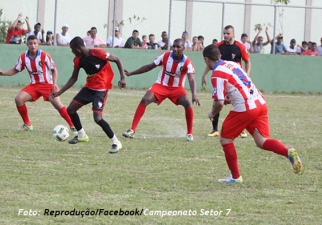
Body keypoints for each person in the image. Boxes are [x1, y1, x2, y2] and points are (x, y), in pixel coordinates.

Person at [202, 44, 302, 183]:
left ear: (206, 60)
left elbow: (218, 103)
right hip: (260, 103)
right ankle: (288, 152)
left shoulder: (217, 74)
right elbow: (240, 84)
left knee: (225, 138)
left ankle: (235, 177)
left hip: (246, 108)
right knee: (262, 141)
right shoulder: (232, 64)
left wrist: (211, 113)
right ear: (219, 55)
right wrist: (229, 99)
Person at [51, 36, 126, 154]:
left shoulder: (98, 53)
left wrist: (123, 78)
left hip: (101, 88)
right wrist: (60, 92)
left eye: (72, 49)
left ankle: (116, 142)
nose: (72, 52)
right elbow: (74, 78)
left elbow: (117, 59)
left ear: (78, 47)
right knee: (70, 109)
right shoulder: (78, 60)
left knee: (97, 118)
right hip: (89, 87)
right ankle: (81, 135)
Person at [122, 38, 200, 142]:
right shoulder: (165, 56)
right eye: (174, 46)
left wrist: (194, 94)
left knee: (187, 103)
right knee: (145, 99)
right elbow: (149, 66)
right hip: (161, 85)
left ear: (183, 48)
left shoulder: (187, 62)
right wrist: (132, 73)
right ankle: (132, 130)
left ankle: (190, 134)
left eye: (178, 47)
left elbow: (191, 79)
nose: (175, 49)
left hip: (177, 88)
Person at [0, 35, 76, 134]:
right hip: (34, 85)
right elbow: (16, 69)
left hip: (48, 84)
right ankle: (28, 124)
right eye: (30, 44)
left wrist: (54, 83)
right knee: (18, 99)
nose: (33, 46)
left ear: (38, 44)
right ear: (27, 45)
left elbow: (54, 70)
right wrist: (3, 73)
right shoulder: (23, 57)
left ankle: (73, 125)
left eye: (35, 43)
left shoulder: (44, 55)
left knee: (57, 104)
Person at [201, 25, 251, 138]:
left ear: (233, 34)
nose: (225, 35)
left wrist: (247, 75)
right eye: (224, 33)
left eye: (228, 33)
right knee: (217, 100)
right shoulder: (219, 46)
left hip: (234, 80)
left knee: (238, 102)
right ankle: (214, 129)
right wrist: (204, 75)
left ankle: (241, 129)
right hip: (222, 78)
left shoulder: (240, 47)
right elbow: (211, 62)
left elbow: (247, 61)